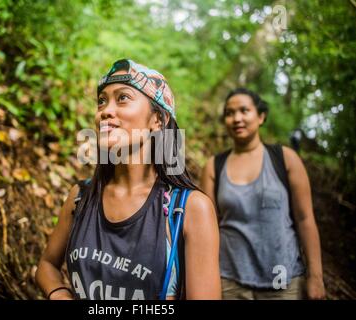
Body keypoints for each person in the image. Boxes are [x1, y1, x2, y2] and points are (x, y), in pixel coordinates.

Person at [36, 59, 221, 300]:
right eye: (101, 101)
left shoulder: (189, 209)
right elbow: (47, 265)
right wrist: (59, 294)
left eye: (122, 98)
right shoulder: (80, 197)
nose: (105, 111)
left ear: (158, 120)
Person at [200, 88, 326, 300]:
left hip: (282, 279)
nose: (236, 118)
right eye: (229, 113)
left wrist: (315, 276)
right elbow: (206, 229)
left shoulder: (285, 158)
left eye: (244, 110)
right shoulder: (214, 166)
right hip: (229, 280)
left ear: (261, 116)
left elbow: (305, 219)